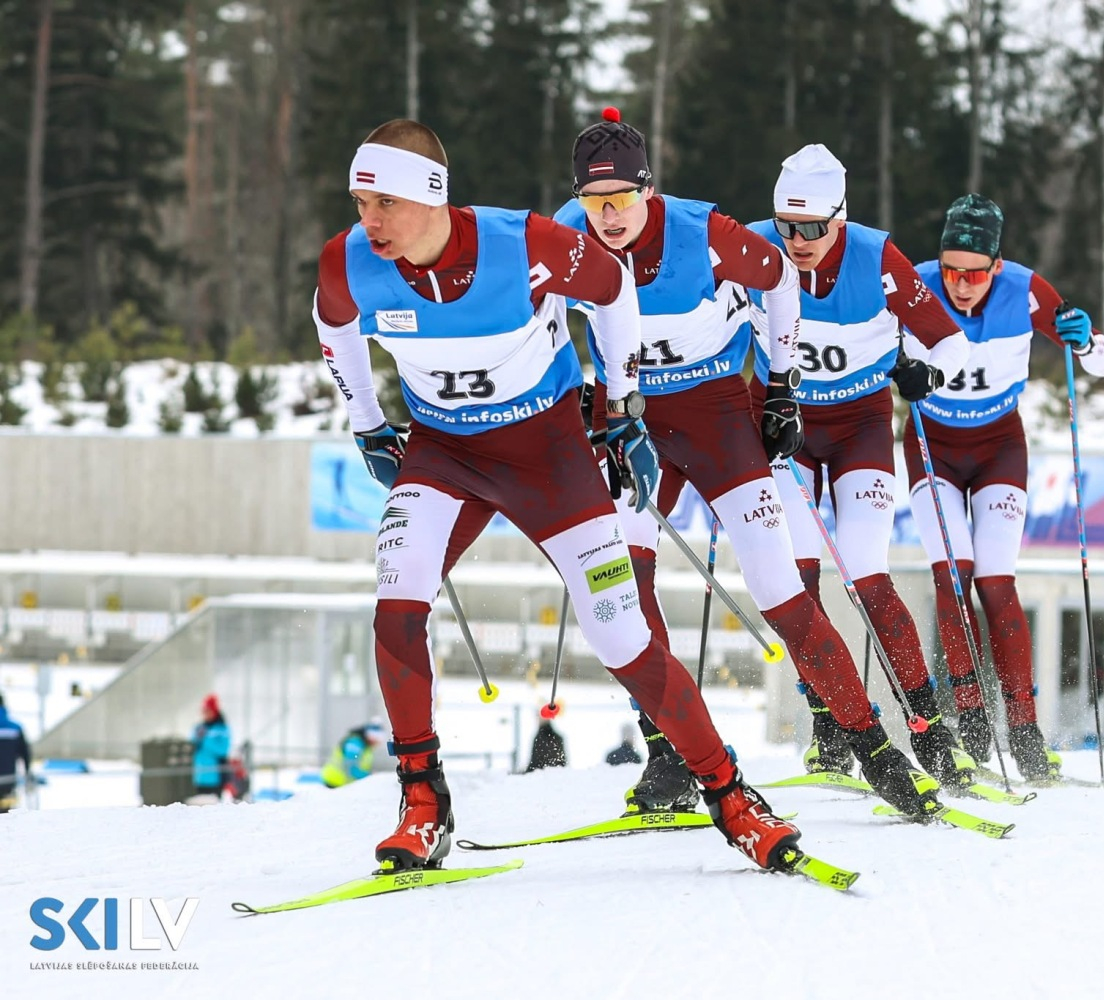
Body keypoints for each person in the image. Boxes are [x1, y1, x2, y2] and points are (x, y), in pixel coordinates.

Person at [314, 118, 801, 872]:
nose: (367, 221)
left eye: (383, 204)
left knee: (620, 637)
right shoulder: (348, 262)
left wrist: (621, 408)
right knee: (398, 597)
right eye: (359, 203)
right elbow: (332, 323)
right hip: (445, 455)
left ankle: (733, 797)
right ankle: (422, 800)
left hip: (549, 459)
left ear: (431, 195)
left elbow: (612, 294)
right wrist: (368, 425)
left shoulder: (528, 244)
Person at [555, 112, 938, 817]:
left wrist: (784, 387)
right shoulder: (565, 235)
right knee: (623, 577)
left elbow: (781, 283)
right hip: (635, 424)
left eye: (621, 200)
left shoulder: (705, 233)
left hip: (714, 418)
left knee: (780, 589)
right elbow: (538, 308)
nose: (607, 217)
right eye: (593, 201)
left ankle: (874, 747)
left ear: (649, 189)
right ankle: (667, 755)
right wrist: (569, 390)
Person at [744, 144, 979, 793]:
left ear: (839, 219)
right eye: (786, 226)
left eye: (813, 228)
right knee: (799, 580)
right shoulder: (754, 249)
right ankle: (833, 725)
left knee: (866, 574)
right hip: (785, 425)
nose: (797, 241)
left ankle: (933, 732)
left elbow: (952, 343)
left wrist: (927, 374)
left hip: (860, 428)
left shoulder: (876, 257)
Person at [904, 194, 1104, 780]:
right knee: (953, 575)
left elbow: (1102, 364)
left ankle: (1022, 729)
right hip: (932, 449)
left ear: (996, 265)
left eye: (973, 272)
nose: (960, 284)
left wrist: (1085, 338)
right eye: (951, 270)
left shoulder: (1024, 289)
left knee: (997, 582)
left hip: (1000, 448)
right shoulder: (915, 286)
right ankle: (971, 723)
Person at [190, 694, 231, 799]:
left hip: (214, 778)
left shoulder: (221, 729)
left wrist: (205, 739)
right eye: (204, 711)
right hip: (198, 777)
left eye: (208, 711)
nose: (205, 714)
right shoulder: (199, 728)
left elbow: (223, 750)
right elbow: (191, 746)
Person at [322, 722, 384, 788]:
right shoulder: (355, 744)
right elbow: (350, 767)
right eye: (377, 739)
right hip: (335, 781)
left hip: (343, 782)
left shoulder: (365, 746)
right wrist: (369, 777)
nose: (377, 743)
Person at [0, 694, 33, 813]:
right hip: (8, 780)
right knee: (5, 814)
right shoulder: (15, 728)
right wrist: (28, 771)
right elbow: (25, 753)